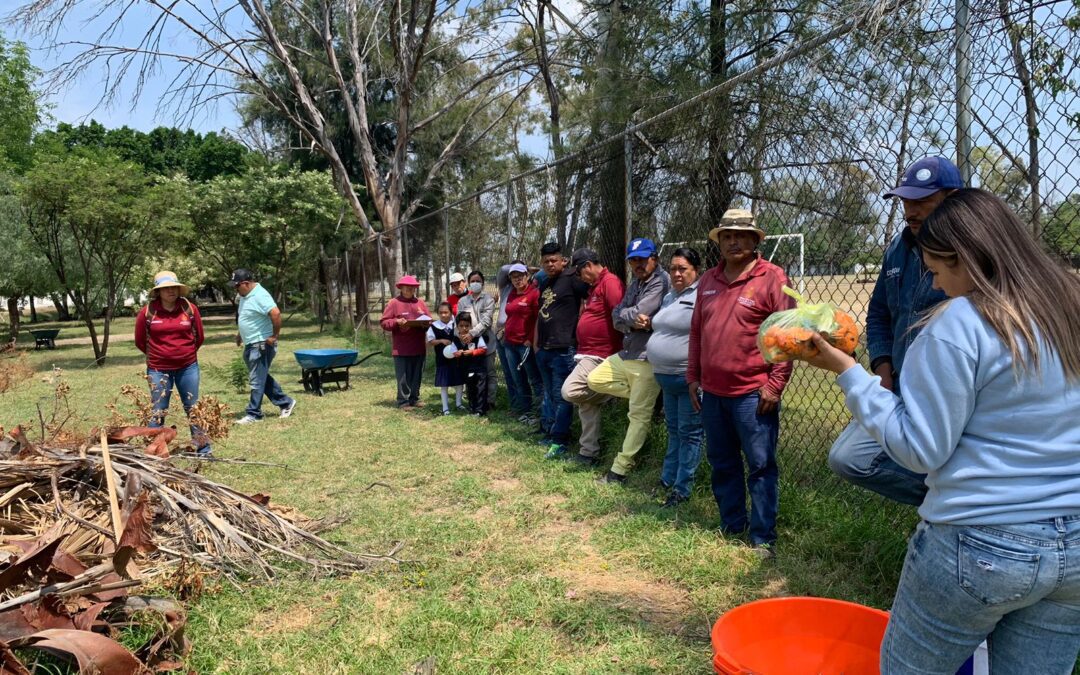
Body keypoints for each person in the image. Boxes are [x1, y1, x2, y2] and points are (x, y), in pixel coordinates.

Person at [802, 189, 1080, 673]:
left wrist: (849, 373)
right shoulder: (1066, 307)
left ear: (968, 258)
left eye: (936, 270)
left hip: (982, 544)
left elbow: (921, 448)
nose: (934, 284)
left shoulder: (960, 323)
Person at [828, 157, 960, 505]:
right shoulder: (897, 249)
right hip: (900, 385)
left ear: (953, 200)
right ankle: (949, 499)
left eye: (921, 202)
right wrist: (883, 369)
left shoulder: (968, 255)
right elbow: (878, 314)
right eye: (905, 201)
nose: (910, 211)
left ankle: (956, 504)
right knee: (848, 457)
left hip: (947, 389)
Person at [688, 209, 795, 557]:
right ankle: (732, 525)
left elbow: (787, 334)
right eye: (726, 235)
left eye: (741, 235)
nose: (733, 241)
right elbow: (697, 333)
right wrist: (693, 376)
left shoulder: (773, 278)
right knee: (722, 462)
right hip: (713, 393)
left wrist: (775, 384)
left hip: (753, 393)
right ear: (719, 241)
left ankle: (763, 537)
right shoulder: (707, 280)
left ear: (755, 240)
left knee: (761, 466)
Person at [586, 238, 670, 483]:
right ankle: (644, 397)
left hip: (646, 358)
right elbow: (619, 315)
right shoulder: (636, 282)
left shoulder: (661, 282)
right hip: (626, 354)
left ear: (654, 258)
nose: (638, 264)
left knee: (638, 417)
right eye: (633, 260)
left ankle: (619, 470)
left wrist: (626, 316)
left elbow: (640, 311)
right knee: (594, 379)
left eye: (642, 259)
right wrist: (628, 318)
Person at [645, 248, 703, 507]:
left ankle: (682, 489)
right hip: (666, 378)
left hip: (687, 379)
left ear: (696, 271)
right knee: (674, 431)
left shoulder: (702, 296)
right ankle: (667, 480)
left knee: (690, 433)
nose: (677, 273)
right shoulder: (670, 297)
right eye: (673, 269)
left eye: (683, 269)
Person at [557, 248, 625, 462]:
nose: (578, 278)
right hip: (587, 352)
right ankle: (588, 452)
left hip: (601, 354)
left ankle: (609, 393)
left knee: (570, 391)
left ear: (587, 266)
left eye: (578, 273)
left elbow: (620, 318)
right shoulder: (595, 286)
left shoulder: (610, 282)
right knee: (587, 404)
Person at [134, 271, 210, 455]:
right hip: (158, 370)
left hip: (188, 367)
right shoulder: (148, 312)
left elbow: (199, 337)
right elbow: (139, 340)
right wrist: (160, 356)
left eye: (173, 287)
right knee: (158, 410)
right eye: (165, 288)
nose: (170, 291)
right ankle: (153, 451)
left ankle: (203, 449)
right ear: (158, 292)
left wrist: (184, 355)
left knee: (193, 407)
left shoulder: (189, 309)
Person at [534, 242, 591, 453]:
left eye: (554, 260)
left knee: (562, 396)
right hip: (544, 349)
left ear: (562, 261)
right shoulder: (545, 284)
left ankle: (560, 440)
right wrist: (537, 347)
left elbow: (591, 294)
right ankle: (549, 431)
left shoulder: (572, 280)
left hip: (563, 348)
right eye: (546, 261)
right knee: (549, 394)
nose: (550, 264)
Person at [231, 269, 296, 425]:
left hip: (261, 344)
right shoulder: (245, 296)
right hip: (251, 343)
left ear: (245, 284)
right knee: (261, 377)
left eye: (237, 286)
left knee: (256, 380)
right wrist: (240, 334)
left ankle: (254, 414)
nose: (235, 289)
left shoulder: (260, 295)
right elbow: (246, 316)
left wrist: (274, 336)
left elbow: (275, 313)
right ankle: (285, 402)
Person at [379, 275, 431, 410]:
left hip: (418, 346)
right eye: (406, 287)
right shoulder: (394, 303)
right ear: (401, 288)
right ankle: (403, 401)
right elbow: (384, 322)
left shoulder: (420, 303)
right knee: (402, 376)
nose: (409, 289)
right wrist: (396, 322)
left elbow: (428, 320)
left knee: (417, 374)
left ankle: (414, 398)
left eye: (412, 287)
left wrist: (425, 323)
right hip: (401, 348)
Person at [500, 263, 543, 420]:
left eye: (520, 276)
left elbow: (538, 318)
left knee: (534, 379)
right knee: (518, 379)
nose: (517, 280)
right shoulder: (511, 294)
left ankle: (539, 413)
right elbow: (511, 316)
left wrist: (530, 339)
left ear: (527, 276)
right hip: (509, 344)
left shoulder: (534, 294)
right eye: (514, 277)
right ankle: (525, 411)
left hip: (524, 344)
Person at [457, 270, 498, 409]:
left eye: (478, 281)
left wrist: (472, 333)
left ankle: (490, 401)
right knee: (471, 372)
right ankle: (473, 400)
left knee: (489, 372)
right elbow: (460, 321)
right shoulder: (462, 301)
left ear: (483, 283)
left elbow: (487, 321)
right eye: (472, 281)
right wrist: (464, 337)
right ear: (468, 284)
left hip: (487, 341)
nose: (475, 283)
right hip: (469, 344)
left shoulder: (489, 299)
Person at [426, 301, 464, 415]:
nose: (443, 315)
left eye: (446, 312)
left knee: (459, 382)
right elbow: (430, 341)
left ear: (451, 313)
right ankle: (445, 407)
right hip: (442, 360)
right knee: (444, 383)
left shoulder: (456, 325)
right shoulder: (434, 326)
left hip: (456, 359)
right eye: (440, 312)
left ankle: (459, 403)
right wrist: (441, 341)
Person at [452, 314, 488, 416]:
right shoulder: (455, 339)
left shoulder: (477, 337)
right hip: (466, 369)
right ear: (457, 326)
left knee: (480, 389)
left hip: (479, 368)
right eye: (461, 326)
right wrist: (458, 354)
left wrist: (473, 352)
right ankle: (472, 408)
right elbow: (453, 352)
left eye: (467, 326)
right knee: (470, 388)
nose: (464, 328)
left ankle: (480, 410)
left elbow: (483, 349)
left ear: (470, 326)